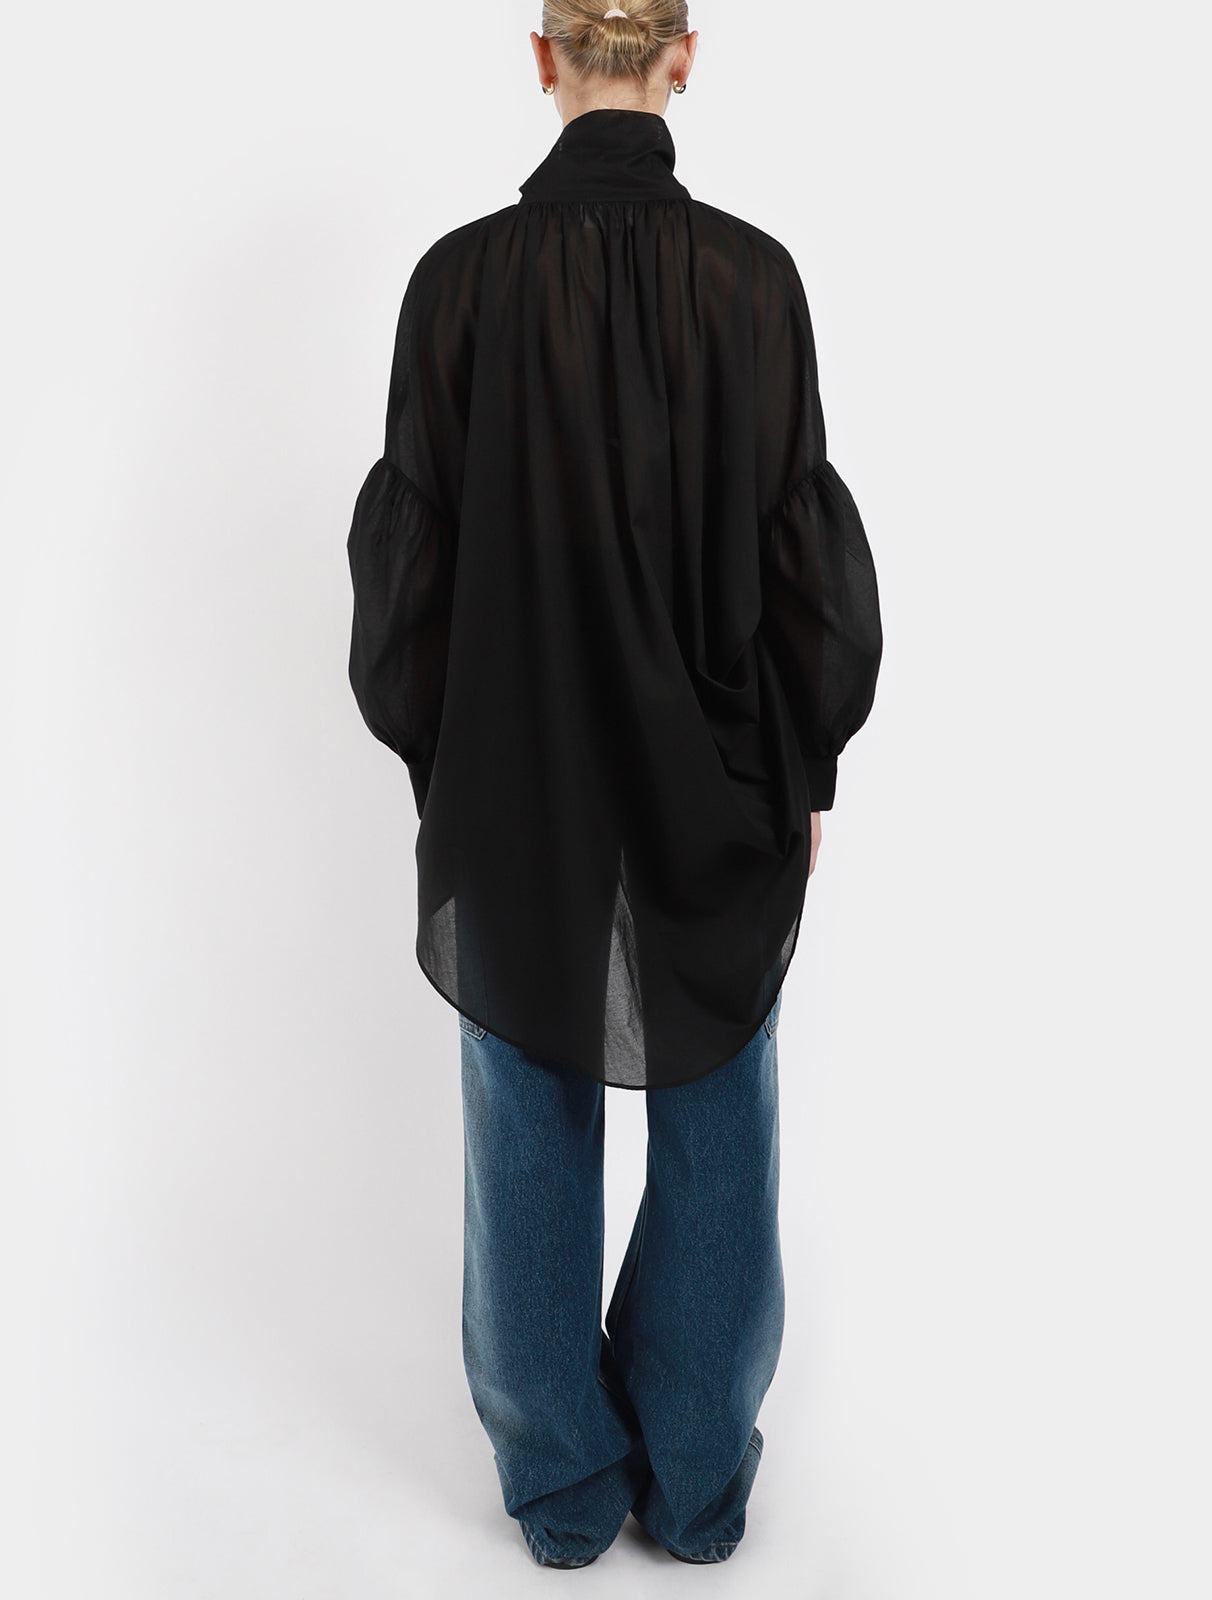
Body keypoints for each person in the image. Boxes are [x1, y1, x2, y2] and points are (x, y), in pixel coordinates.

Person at [344, 0, 883, 1570]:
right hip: (722, 775)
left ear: (544, 59)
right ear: (683, 57)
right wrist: (807, 755)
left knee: (526, 1102)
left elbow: (406, 571)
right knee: (720, 1105)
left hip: (513, 777)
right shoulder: (756, 284)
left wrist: (442, 756)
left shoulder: (456, 287)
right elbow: (804, 561)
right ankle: (699, 1485)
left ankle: (565, 1490)